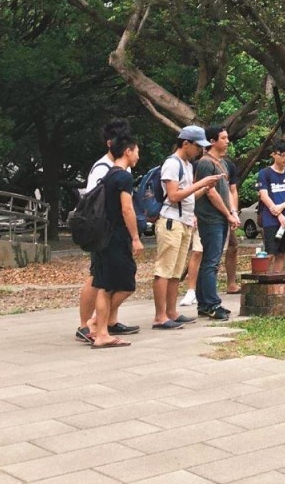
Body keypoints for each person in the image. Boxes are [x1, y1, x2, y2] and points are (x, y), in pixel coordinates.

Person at [153, 126, 224, 329]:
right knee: (164, 269)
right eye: (197, 146)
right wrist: (199, 183)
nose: (200, 151)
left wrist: (204, 188)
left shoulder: (187, 165)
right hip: (170, 221)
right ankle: (160, 316)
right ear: (186, 143)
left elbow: (188, 196)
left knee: (176, 271)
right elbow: (174, 195)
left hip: (184, 222)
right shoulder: (172, 164)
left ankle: (172, 311)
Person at [76, 118, 139, 344]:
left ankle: (105, 324)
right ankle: (89, 325)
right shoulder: (106, 169)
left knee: (104, 283)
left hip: (107, 234)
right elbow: (98, 203)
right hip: (105, 233)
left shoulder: (116, 170)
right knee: (100, 280)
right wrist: (135, 237)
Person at [89, 132, 144, 348]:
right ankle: (97, 325)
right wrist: (135, 237)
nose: (138, 156)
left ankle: (100, 330)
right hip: (117, 237)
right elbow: (127, 208)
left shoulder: (109, 175)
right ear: (128, 151)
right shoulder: (123, 177)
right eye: (137, 151)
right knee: (126, 284)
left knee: (105, 285)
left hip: (103, 236)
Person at [194, 126, 240, 320]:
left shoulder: (222, 163)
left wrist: (233, 212)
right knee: (211, 262)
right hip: (210, 218)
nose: (227, 141)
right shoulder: (205, 163)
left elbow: (228, 191)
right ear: (212, 141)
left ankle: (204, 303)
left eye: (227, 137)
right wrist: (227, 214)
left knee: (211, 261)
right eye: (223, 138)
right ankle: (212, 304)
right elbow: (210, 192)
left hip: (221, 217)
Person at [256, 140, 285, 274]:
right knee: (271, 252)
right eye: (282, 155)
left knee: (282, 253)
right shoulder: (265, 173)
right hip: (271, 219)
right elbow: (264, 196)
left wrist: (281, 207)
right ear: (274, 155)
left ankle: (277, 280)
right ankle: (262, 278)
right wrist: (278, 213)